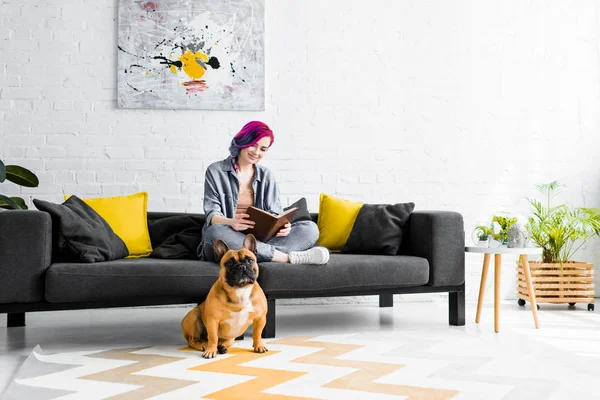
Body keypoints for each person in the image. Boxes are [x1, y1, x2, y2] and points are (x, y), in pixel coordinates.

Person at [197, 121, 330, 265]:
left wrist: (283, 227)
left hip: (258, 240)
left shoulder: (266, 175)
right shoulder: (215, 171)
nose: (257, 152)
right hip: (228, 235)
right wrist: (231, 222)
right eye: (253, 145)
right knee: (215, 232)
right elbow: (212, 214)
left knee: (310, 228)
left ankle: (257, 254)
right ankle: (285, 258)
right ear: (243, 141)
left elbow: (275, 213)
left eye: (263, 149)